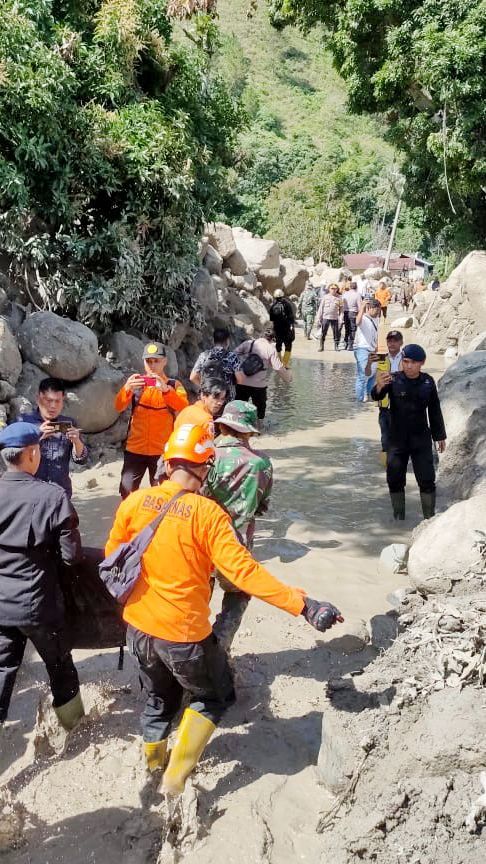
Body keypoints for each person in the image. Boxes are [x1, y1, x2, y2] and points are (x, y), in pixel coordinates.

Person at [105, 423, 343, 795]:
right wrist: (303, 604)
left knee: (158, 700)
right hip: (183, 635)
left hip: (137, 629)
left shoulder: (134, 501)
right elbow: (244, 573)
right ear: (205, 468)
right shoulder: (209, 515)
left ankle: (153, 763)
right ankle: (174, 779)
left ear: (167, 463)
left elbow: (113, 555)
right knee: (214, 697)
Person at [0, 423, 84, 729]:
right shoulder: (52, 496)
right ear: (33, 453)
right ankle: (73, 724)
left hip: (1, 604)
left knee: (3, 668)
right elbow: (72, 556)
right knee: (59, 663)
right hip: (39, 604)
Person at [205, 401, 273, 649]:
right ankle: (221, 640)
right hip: (237, 544)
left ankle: (196, 639)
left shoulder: (205, 454)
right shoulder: (261, 463)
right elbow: (262, 504)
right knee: (239, 591)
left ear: (223, 427)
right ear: (248, 431)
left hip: (201, 540)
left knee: (202, 586)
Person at [371, 344, 447, 520]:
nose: (409, 366)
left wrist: (440, 436)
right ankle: (399, 517)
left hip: (421, 440)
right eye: (405, 361)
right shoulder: (393, 380)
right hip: (397, 440)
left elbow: (434, 410)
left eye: (413, 362)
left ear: (422, 363)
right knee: (394, 479)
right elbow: (376, 397)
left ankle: (429, 519)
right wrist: (379, 386)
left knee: (427, 480)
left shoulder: (428, 382)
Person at [114, 341, 188, 499]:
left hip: (162, 452)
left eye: (156, 361)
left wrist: (166, 390)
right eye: (148, 361)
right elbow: (118, 406)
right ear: (143, 362)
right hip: (135, 449)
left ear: (164, 362)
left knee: (162, 495)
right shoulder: (137, 384)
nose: (152, 365)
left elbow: (183, 407)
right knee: (127, 492)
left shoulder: (174, 385)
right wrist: (127, 389)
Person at [20, 377, 87, 498]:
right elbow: (14, 457)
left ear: (63, 400)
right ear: (38, 398)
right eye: (48, 400)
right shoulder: (24, 423)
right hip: (31, 494)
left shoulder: (69, 423)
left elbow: (81, 459)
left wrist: (77, 442)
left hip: (61, 494)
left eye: (57, 401)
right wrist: (37, 437)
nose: (53, 406)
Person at [235, 324, 292, 426]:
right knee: (260, 412)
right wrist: (288, 378)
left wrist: (244, 362)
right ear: (273, 339)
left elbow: (234, 355)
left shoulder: (248, 343)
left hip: (241, 382)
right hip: (258, 386)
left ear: (261, 335)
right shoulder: (270, 349)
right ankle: (258, 429)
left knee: (239, 407)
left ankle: (237, 427)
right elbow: (278, 368)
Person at [365, 330, 404, 461]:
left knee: (400, 439)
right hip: (384, 407)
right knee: (385, 439)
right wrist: (369, 363)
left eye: (395, 341)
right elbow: (366, 373)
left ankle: (399, 465)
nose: (392, 343)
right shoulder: (380, 357)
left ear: (401, 343)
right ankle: (387, 469)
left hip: (401, 407)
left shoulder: (407, 359)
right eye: (389, 340)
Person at [189, 328, 244, 402]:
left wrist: (205, 388)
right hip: (226, 397)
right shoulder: (232, 357)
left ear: (213, 340)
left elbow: (192, 377)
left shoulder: (204, 355)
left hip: (208, 396)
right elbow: (240, 380)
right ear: (227, 341)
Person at [353, 298, 381, 402]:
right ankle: (359, 400)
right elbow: (357, 322)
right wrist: (362, 308)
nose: (378, 312)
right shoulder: (363, 318)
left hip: (372, 349)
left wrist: (376, 347)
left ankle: (368, 395)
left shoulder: (377, 319)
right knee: (362, 375)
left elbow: (375, 334)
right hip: (362, 348)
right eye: (376, 309)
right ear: (370, 308)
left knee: (373, 374)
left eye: (379, 310)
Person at [269, 288, 295, 366]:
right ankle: (285, 363)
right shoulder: (287, 304)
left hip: (277, 329)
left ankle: (279, 362)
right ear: (282, 295)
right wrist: (292, 327)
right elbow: (291, 318)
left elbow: (272, 319)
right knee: (288, 346)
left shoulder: (273, 306)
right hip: (286, 329)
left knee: (278, 345)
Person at [316, 283, 342, 351]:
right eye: (332, 288)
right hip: (325, 317)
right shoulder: (325, 297)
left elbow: (341, 310)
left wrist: (341, 318)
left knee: (336, 333)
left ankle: (336, 346)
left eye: (335, 288)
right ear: (329, 289)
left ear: (337, 289)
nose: (333, 290)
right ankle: (321, 346)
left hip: (335, 318)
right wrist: (318, 318)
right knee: (323, 332)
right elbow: (321, 308)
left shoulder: (340, 298)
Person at [342, 281, 360, 350]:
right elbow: (359, 306)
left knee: (347, 328)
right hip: (353, 312)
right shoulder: (357, 294)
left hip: (346, 312)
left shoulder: (345, 294)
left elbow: (342, 304)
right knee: (353, 329)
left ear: (350, 287)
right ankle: (351, 345)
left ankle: (346, 343)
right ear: (356, 287)